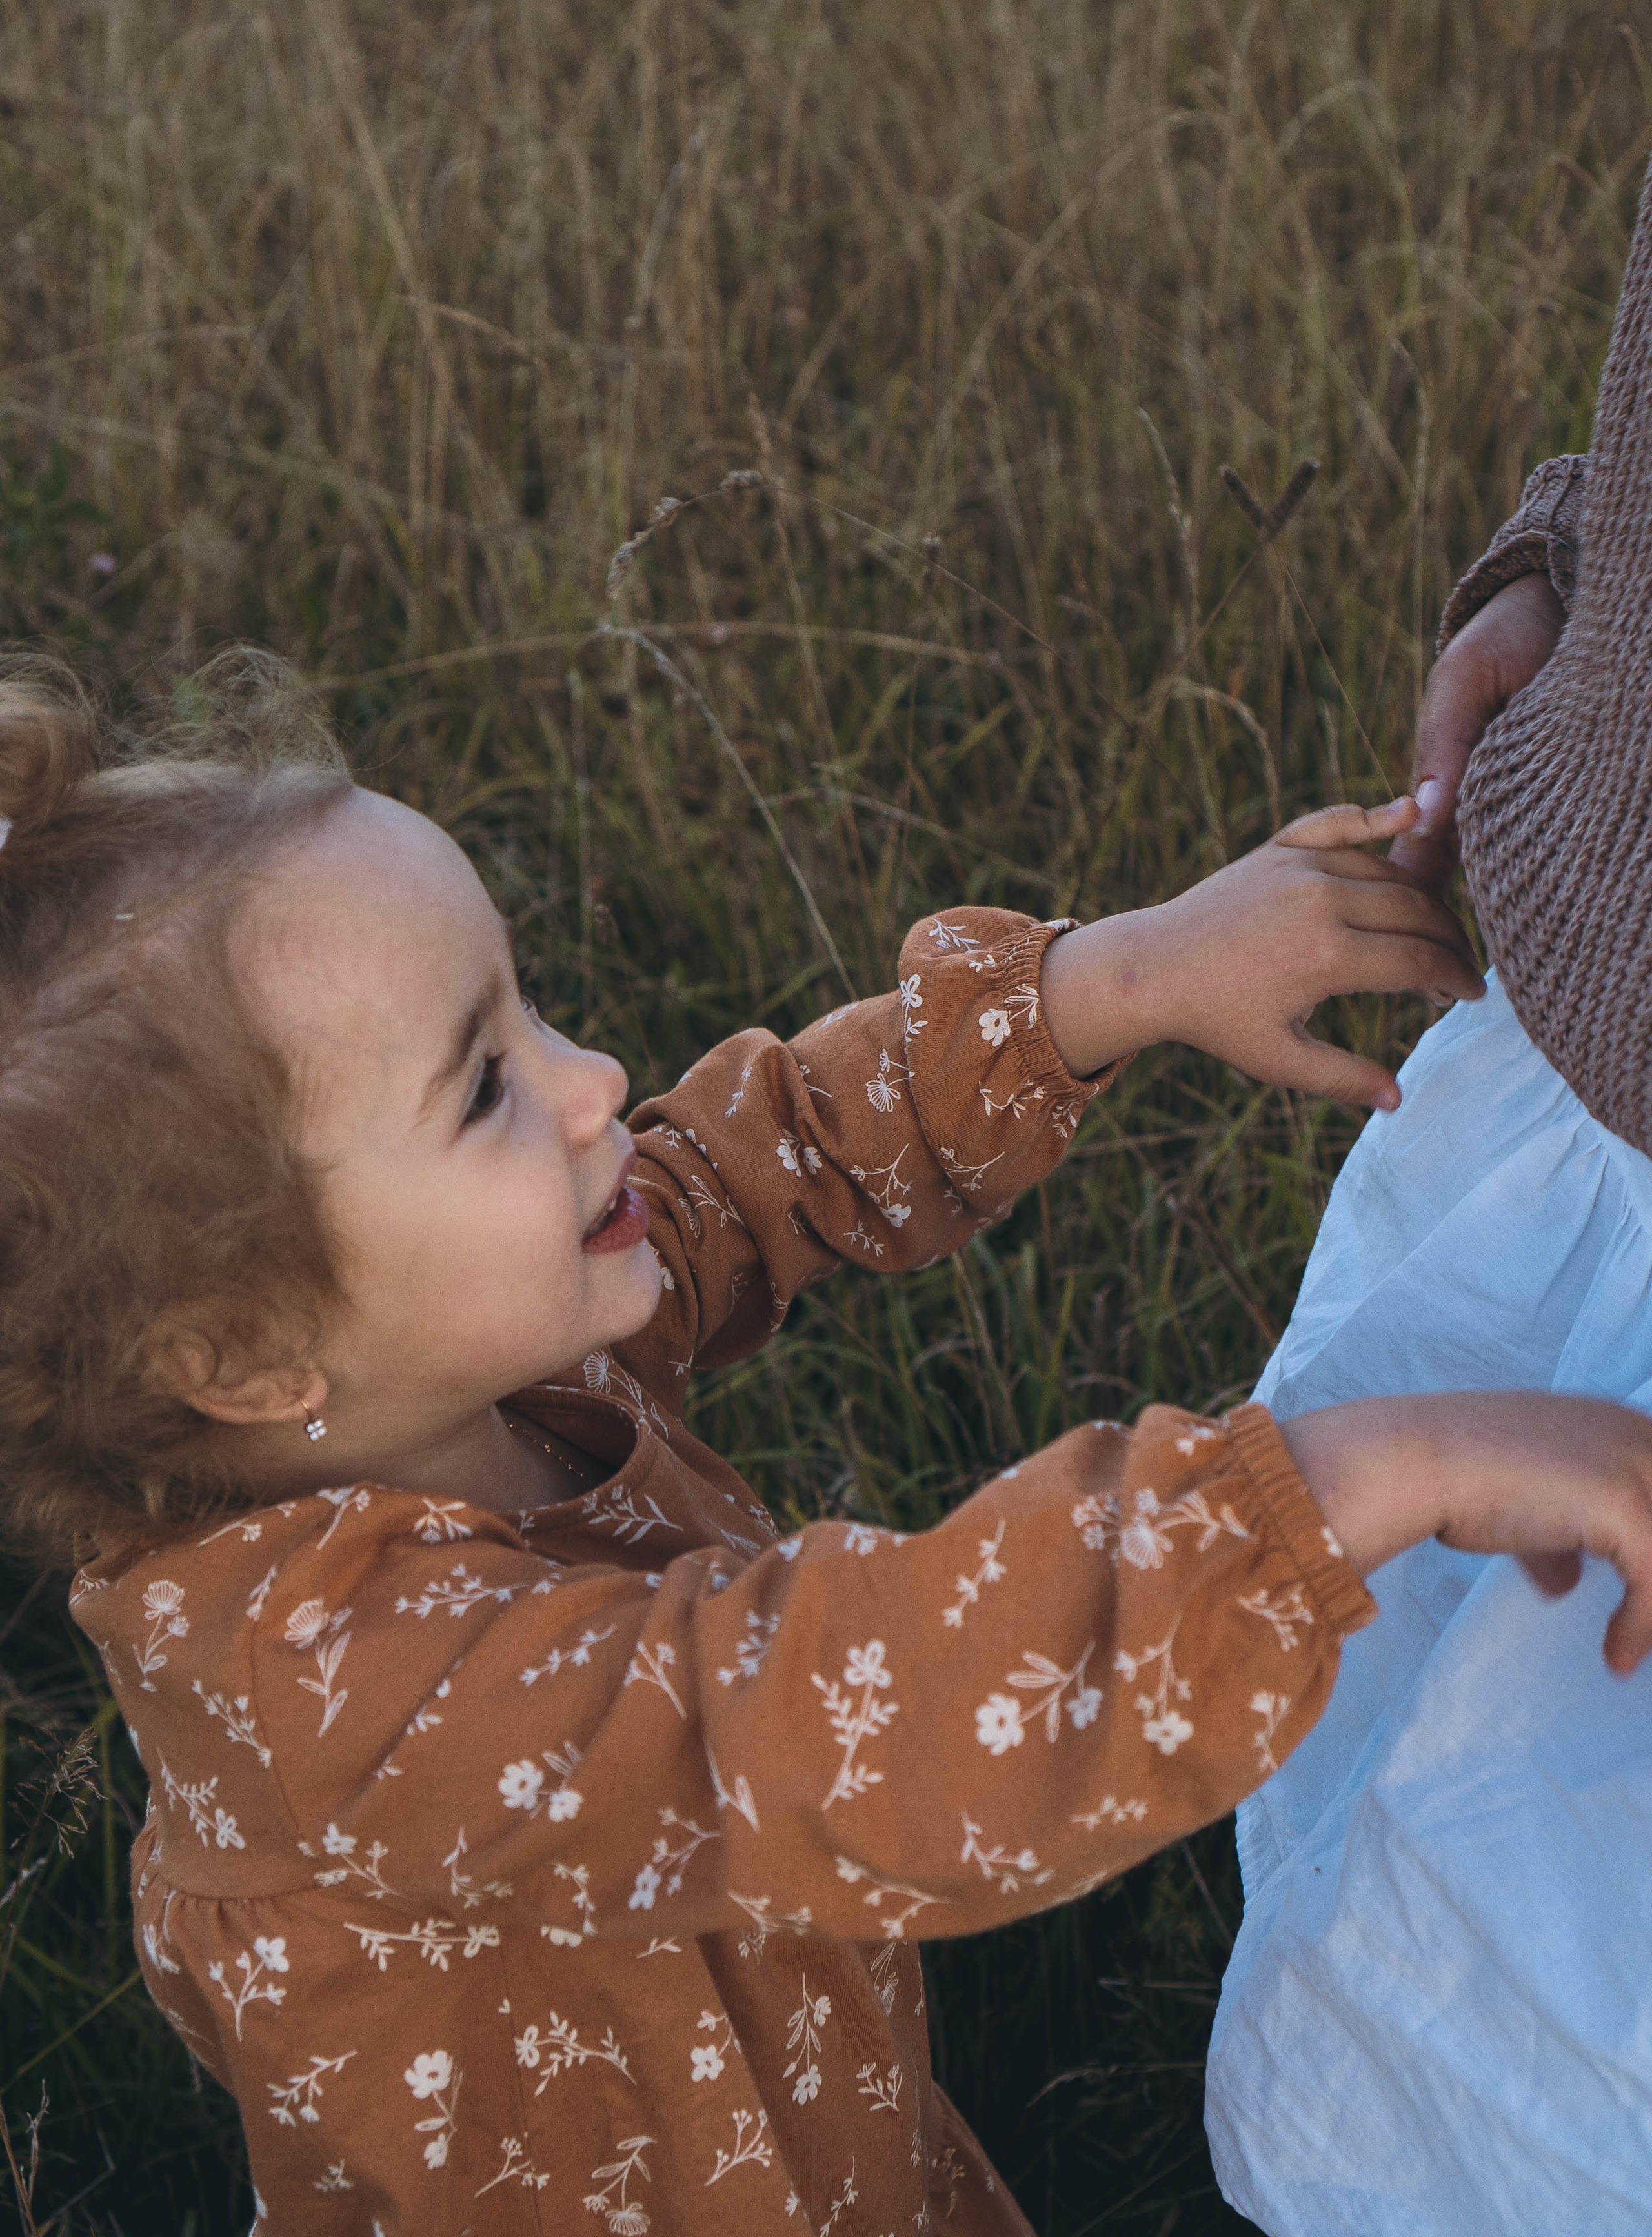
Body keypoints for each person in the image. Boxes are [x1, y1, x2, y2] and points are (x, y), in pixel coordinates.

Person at [11, 652, 1652, 2237]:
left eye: (529, 1012)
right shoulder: (347, 1698)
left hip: (790, 2144)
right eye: (481, 1088)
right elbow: (821, 1713)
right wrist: (1353, 1481)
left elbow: (753, 1165)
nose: (596, 1083)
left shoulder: (466, 1372)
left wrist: (1115, 981)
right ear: (240, 1348)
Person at [1207, 167, 1652, 2237]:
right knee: (1430, 1904)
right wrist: (1573, 571)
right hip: (1577, 1093)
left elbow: (861, 1683)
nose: (590, 1082)